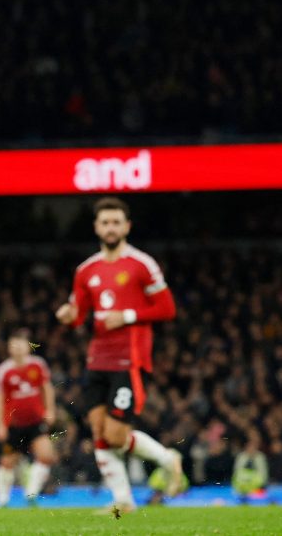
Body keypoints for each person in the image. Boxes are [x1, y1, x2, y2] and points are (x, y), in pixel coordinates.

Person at [55, 196, 184, 512]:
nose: (110, 228)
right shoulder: (86, 270)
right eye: (105, 222)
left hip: (130, 359)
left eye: (116, 222)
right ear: (97, 227)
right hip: (97, 358)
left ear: (127, 226)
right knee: (100, 432)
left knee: (115, 434)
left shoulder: (142, 264)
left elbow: (167, 309)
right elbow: (80, 313)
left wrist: (126, 316)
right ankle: (123, 501)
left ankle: (168, 458)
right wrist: (69, 316)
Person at [0, 329, 57, 506]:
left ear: (28, 347)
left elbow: (47, 388)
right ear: (9, 349)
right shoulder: (3, 371)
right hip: (14, 424)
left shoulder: (38, 365)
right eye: (14, 345)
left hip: (36, 421)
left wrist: (50, 410)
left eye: (21, 345)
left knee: (46, 455)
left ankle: (31, 494)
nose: (18, 349)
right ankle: (2, 501)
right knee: (7, 462)